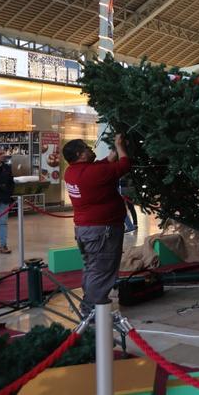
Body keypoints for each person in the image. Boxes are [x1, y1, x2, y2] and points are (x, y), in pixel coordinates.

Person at [63, 134, 130, 316]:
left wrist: (113, 152)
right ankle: (93, 312)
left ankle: (89, 305)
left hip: (86, 230)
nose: (91, 149)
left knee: (92, 268)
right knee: (102, 270)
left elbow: (103, 164)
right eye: (87, 148)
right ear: (80, 154)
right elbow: (124, 165)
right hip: (103, 231)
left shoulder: (72, 172)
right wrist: (120, 146)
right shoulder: (93, 173)